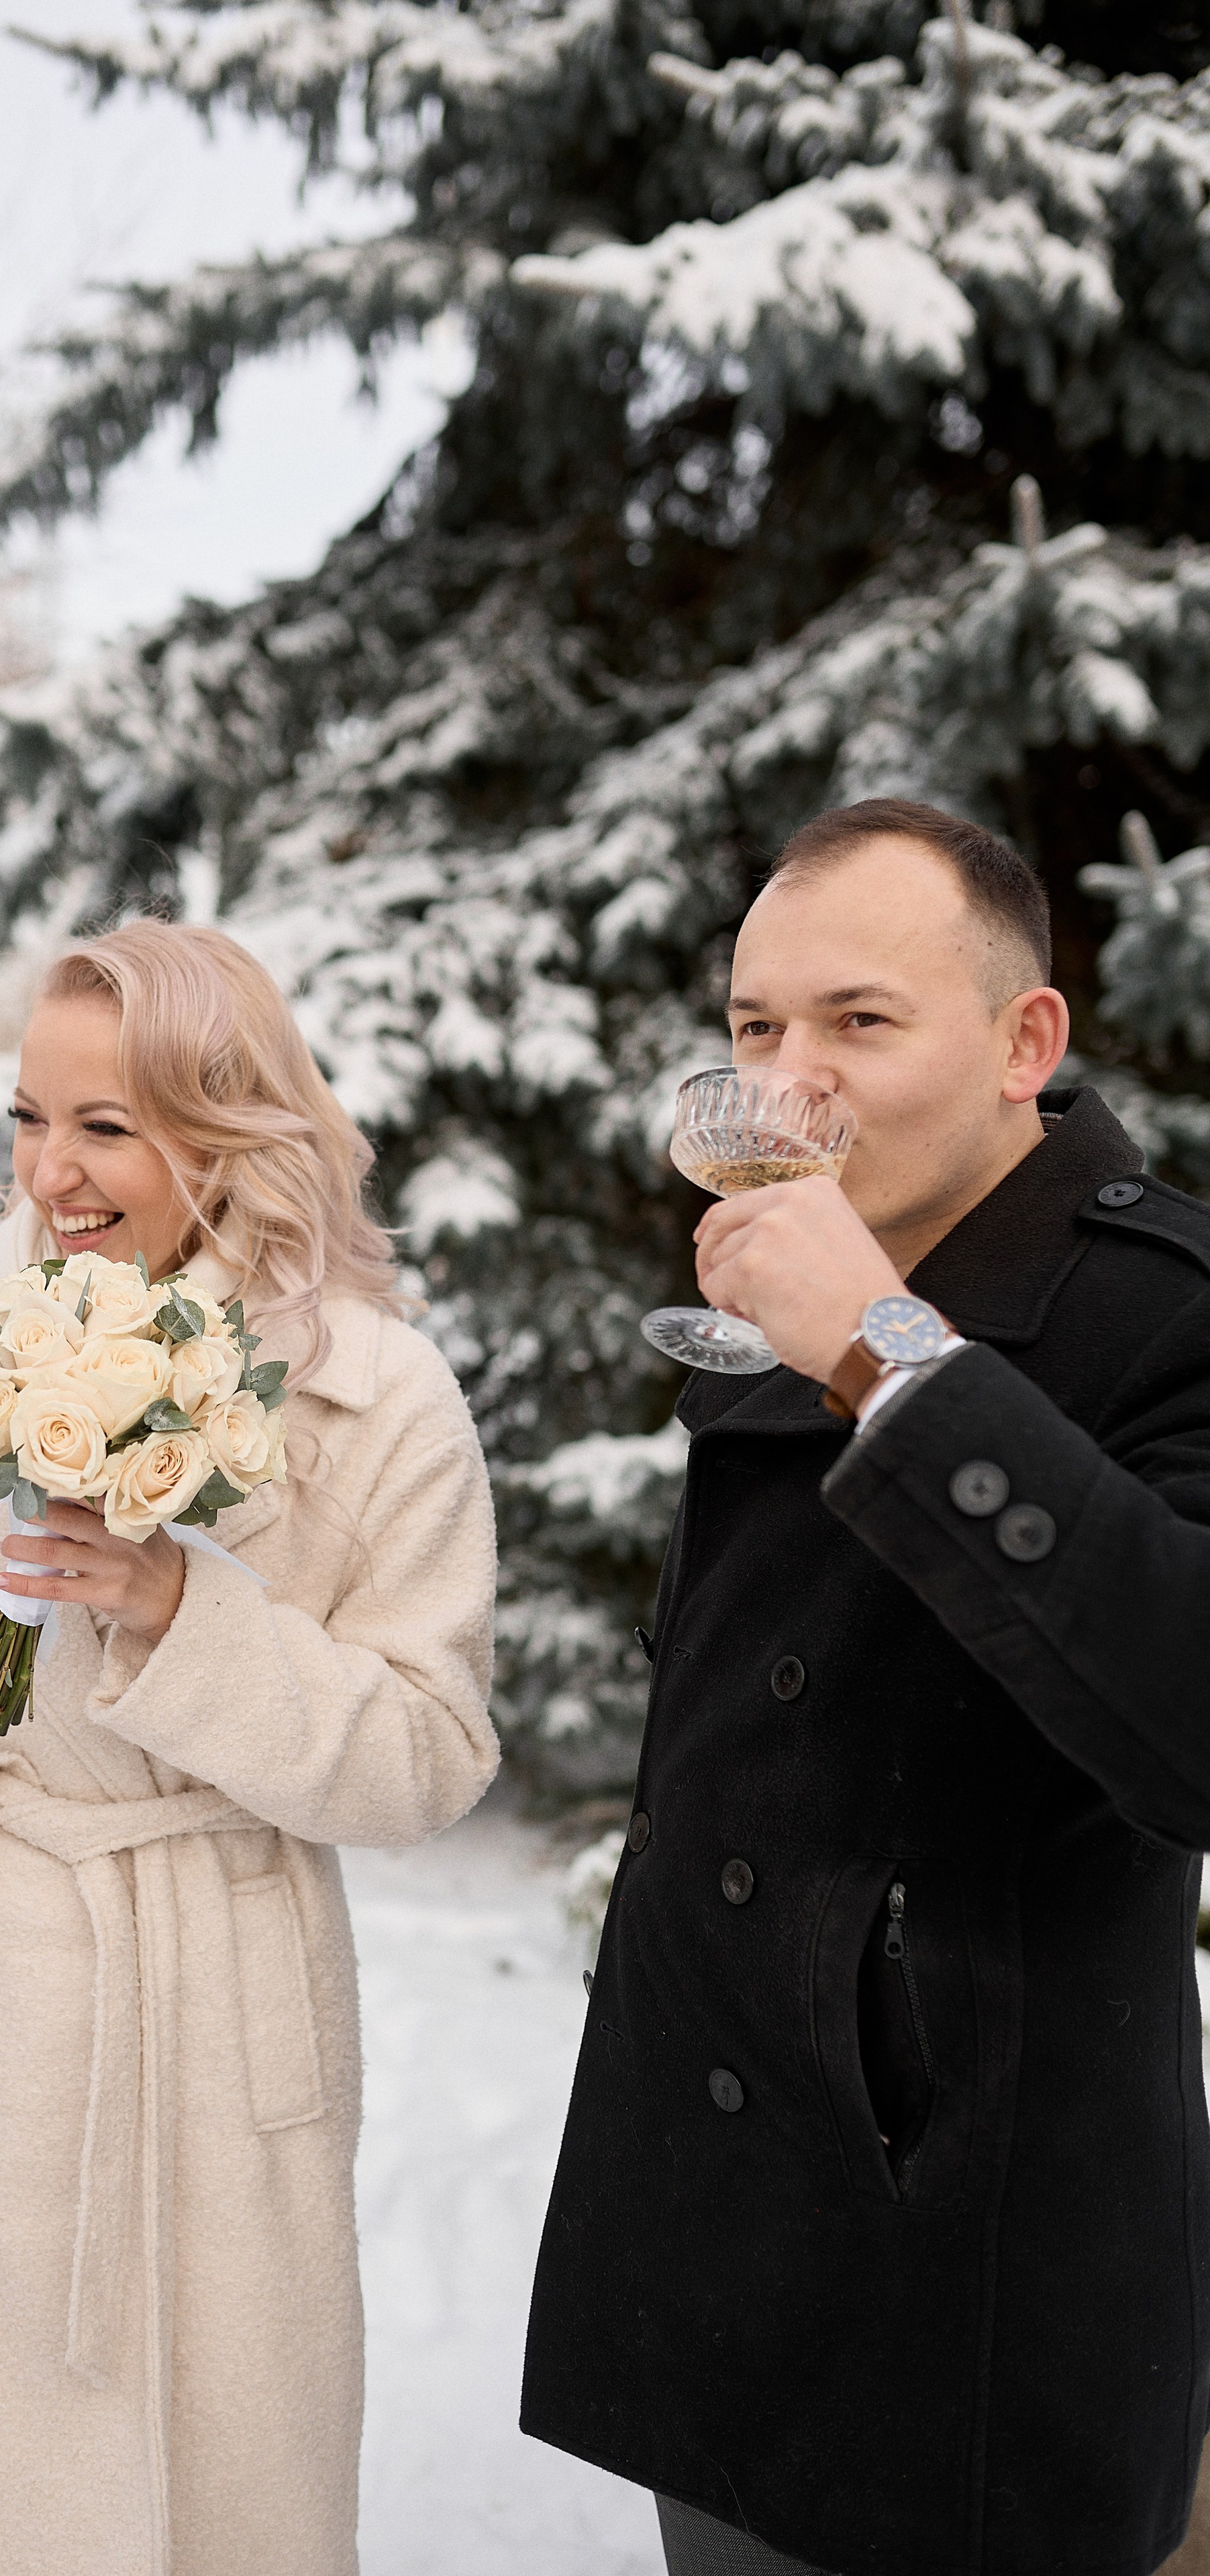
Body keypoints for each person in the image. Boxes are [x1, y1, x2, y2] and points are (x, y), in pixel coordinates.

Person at [0, 921, 499, 2576]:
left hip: (201, 2037)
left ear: (229, 1129)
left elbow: (428, 1760)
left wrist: (181, 1614)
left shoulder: (375, 1397)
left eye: (107, 1125)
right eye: (29, 1117)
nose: (50, 1171)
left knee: (193, 2505)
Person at [521, 799, 1210, 2576]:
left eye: (858, 1022)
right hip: (713, 2221)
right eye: (754, 1028)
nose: (786, 1085)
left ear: (1022, 1043)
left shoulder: (1167, 1307)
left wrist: (890, 1357)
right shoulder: (811, 1267)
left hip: (964, 2274)